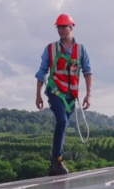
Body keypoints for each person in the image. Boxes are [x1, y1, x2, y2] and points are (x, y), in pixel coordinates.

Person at [35, 13, 92, 175]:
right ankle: (57, 159)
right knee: (62, 121)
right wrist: (38, 95)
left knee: (63, 125)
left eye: (63, 27)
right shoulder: (51, 49)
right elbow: (42, 72)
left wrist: (88, 94)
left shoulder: (81, 50)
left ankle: (55, 162)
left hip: (70, 96)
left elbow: (87, 72)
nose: (60, 30)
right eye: (58, 28)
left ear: (71, 27)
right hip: (55, 91)